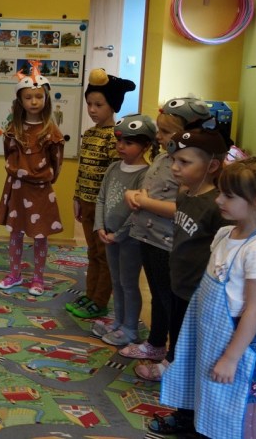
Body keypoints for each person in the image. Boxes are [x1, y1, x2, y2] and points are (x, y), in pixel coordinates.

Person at [161, 157, 256, 438]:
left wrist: (231, 358)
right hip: (212, 336)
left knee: (235, 417)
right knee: (208, 400)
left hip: (237, 343)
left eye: (229, 196)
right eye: (220, 192)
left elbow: (253, 311)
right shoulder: (225, 234)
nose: (219, 200)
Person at [142, 127, 230, 434]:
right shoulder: (184, 193)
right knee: (179, 350)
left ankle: (193, 419)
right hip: (179, 287)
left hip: (200, 296)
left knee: (195, 356)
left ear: (212, 166)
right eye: (174, 160)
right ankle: (184, 413)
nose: (175, 167)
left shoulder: (218, 206)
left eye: (185, 162)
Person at [119, 97, 210, 365]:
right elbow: (151, 188)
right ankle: (156, 343)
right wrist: (136, 194)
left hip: (167, 242)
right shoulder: (162, 158)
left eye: (166, 132)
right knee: (158, 296)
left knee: (170, 300)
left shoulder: (186, 169)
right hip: (148, 237)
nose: (158, 136)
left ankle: (174, 357)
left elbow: (181, 207)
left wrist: (144, 202)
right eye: (159, 130)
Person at [65, 69, 136, 319]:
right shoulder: (89, 134)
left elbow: (116, 177)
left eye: (99, 104)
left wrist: (110, 209)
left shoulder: (115, 137)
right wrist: (76, 197)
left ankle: (100, 300)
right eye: (89, 104)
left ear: (112, 105)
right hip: (86, 203)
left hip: (103, 208)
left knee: (104, 255)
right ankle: (90, 294)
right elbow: (83, 169)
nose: (92, 110)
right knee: (92, 252)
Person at [0, 61, 65, 297]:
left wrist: (44, 178)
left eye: (39, 97)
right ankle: (14, 274)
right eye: (29, 97)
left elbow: (57, 162)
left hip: (41, 190)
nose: (34, 101)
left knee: (40, 234)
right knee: (16, 233)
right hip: (17, 188)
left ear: (46, 99)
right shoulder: (13, 130)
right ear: (20, 101)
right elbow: (8, 156)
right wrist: (19, 173)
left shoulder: (51, 132)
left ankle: (38, 278)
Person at [93, 114, 156, 346]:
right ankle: (118, 321)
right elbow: (101, 198)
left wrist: (117, 235)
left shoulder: (145, 174)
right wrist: (100, 226)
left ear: (145, 146)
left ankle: (130, 329)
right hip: (109, 235)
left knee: (128, 284)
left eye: (128, 143)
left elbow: (138, 212)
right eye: (119, 141)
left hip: (130, 239)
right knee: (116, 281)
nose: (121, 146)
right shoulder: (113, 168)